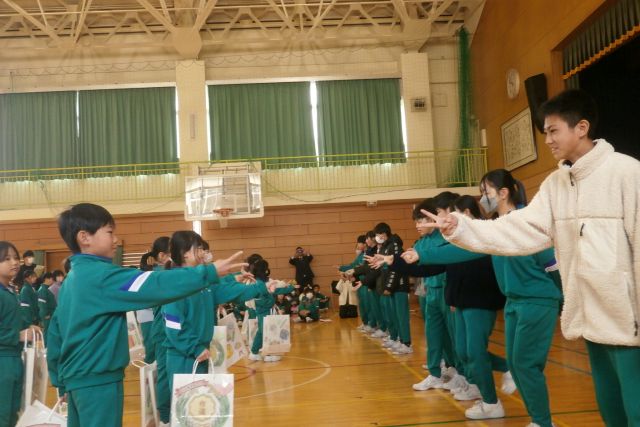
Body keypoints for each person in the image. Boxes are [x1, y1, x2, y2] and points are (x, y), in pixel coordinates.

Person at [426, 89, 640, 427]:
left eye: (553, 130)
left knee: (636, 407)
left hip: (628, 318)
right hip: (592, 317)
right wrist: (461, 227)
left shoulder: (627, 173)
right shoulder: (556, 184)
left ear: (581, 127)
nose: (548, 140)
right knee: (610, 407)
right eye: (545, 132)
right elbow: (520, 228)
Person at [45, 203, 246, 427]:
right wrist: (209, 272)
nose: (115, 239)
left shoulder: (72, 280)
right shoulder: (99, 276)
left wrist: (59, 381)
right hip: (98, 381)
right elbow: (154, 283)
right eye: (110, 232)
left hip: (76, 380)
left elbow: (55, 333)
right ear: (84, 237)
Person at [414, 170, 562, 426]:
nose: (482, 198)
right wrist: (421, 254)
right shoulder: (497, 226)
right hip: (513, 301)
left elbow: (552, 265)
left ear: (503, 193)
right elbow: (466, 248)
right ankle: (538, 420)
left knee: (525, 365)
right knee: (516, 365)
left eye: (486, 192)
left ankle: (542, 422)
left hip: (536, 300)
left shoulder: (526, 220)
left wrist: (563, 300)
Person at [0, 241, 38, 427]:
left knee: (13, 414)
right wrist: (18, 336)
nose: (14, 262)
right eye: (6, 259)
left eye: (16, 257)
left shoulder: (10, 291)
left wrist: (28, 327)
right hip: (3, 361)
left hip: (14, 359)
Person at [37, 272, 57, 340]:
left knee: (50, 331)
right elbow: (42, 304)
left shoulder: (47, 289)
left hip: (50, 314)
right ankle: (45, 345)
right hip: (47, 315)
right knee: (47, 331)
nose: (52, 281)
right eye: (51, 279)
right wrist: (45, 314)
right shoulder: (43, 290)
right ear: (46, 279)